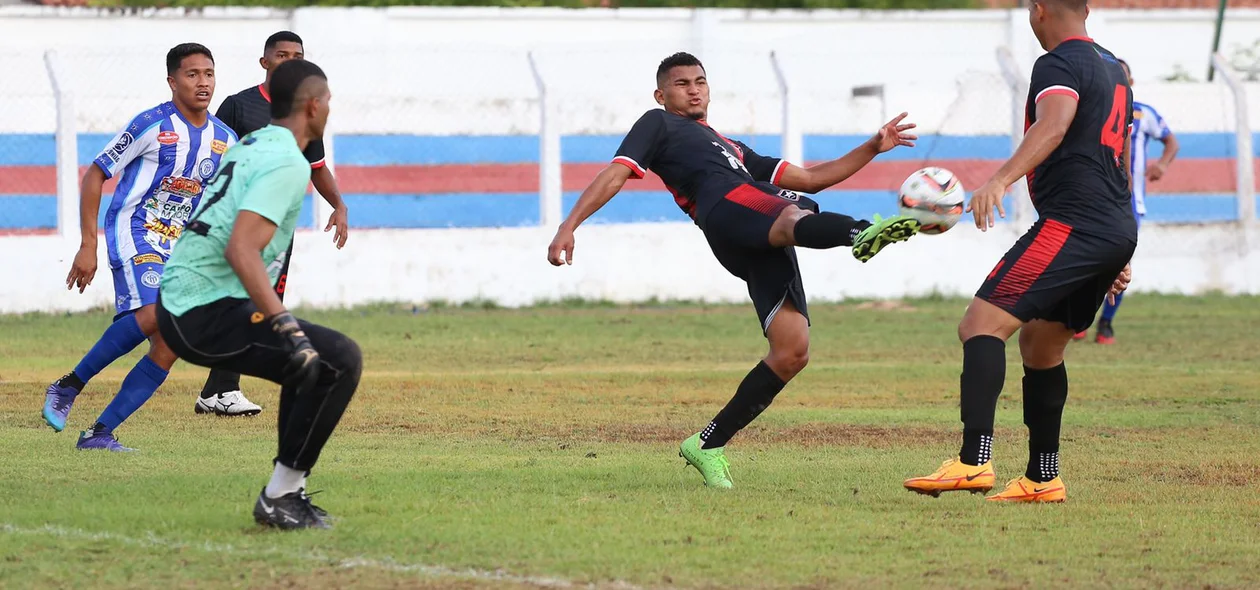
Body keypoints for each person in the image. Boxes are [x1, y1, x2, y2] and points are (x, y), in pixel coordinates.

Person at [547, 52, 922, 489]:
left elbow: (814, 178)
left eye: (700, 81)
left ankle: (707, 444)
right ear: (661, 94)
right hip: (729, 208)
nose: (693, 89)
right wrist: (569, 225)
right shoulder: (658, 123)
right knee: (791, 215)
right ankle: (860, 231)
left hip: (757, 225)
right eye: (682, 83)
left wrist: (874, 146)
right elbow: (615, 173)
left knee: (792, 350)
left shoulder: (733, 148)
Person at [903, 0, 1134, 503]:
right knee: (1041, 346)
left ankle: (972, 461)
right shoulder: (1115, 68)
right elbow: (1119, 155)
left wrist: (999, 180)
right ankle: (1042, 477)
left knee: (980, 325)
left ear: (1041, 8)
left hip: (1074, 223)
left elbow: (1053, 125)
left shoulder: (1057, 62)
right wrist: (1121, 243)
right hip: (1111, 225)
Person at [158, 59, 361, 530]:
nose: (329, 108)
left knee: (310, 367)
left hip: (183, 298)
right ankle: (282, 495)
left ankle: (285, 494)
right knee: (339, 358)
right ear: (313, 106)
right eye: (327, 100)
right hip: (200, 308)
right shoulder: (288, 160)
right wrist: (285, 325)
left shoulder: (255, 142)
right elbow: (241, 248)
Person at [42, 43, 236, 451]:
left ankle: (99, 434)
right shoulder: (151, 125)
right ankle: (68, 386)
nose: (202, 82)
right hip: (136, 230)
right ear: (172, 81)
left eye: (209, 74)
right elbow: (96, 174)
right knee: (151, 313)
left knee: (170, 342)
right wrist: (88, 244)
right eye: (192, 74)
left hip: (181, 248)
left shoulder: (225, 139)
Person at [195, 30, 351, 417]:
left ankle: (216, 391)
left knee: (262, 302)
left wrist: (339, 205)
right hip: (238, 223)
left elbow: (317, 167)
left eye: (297, 55)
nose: (290, 61)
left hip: (278, 226)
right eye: (281, 55)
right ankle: (226, 389)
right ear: (265, 62)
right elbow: (214, 159)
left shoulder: (305, 110)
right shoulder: (238, 106)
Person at [1075, 57, 1178, 344]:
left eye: (1123, 76)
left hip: (1130, 202)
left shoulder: (1143, 114)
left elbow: (1171, 142)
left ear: (1129, 83)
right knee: (1083, 258)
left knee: (1119, 263)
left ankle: (1106, 323)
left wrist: (1163, 165)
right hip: (1092, 197)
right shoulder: (1088, 111)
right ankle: (1079, 318)